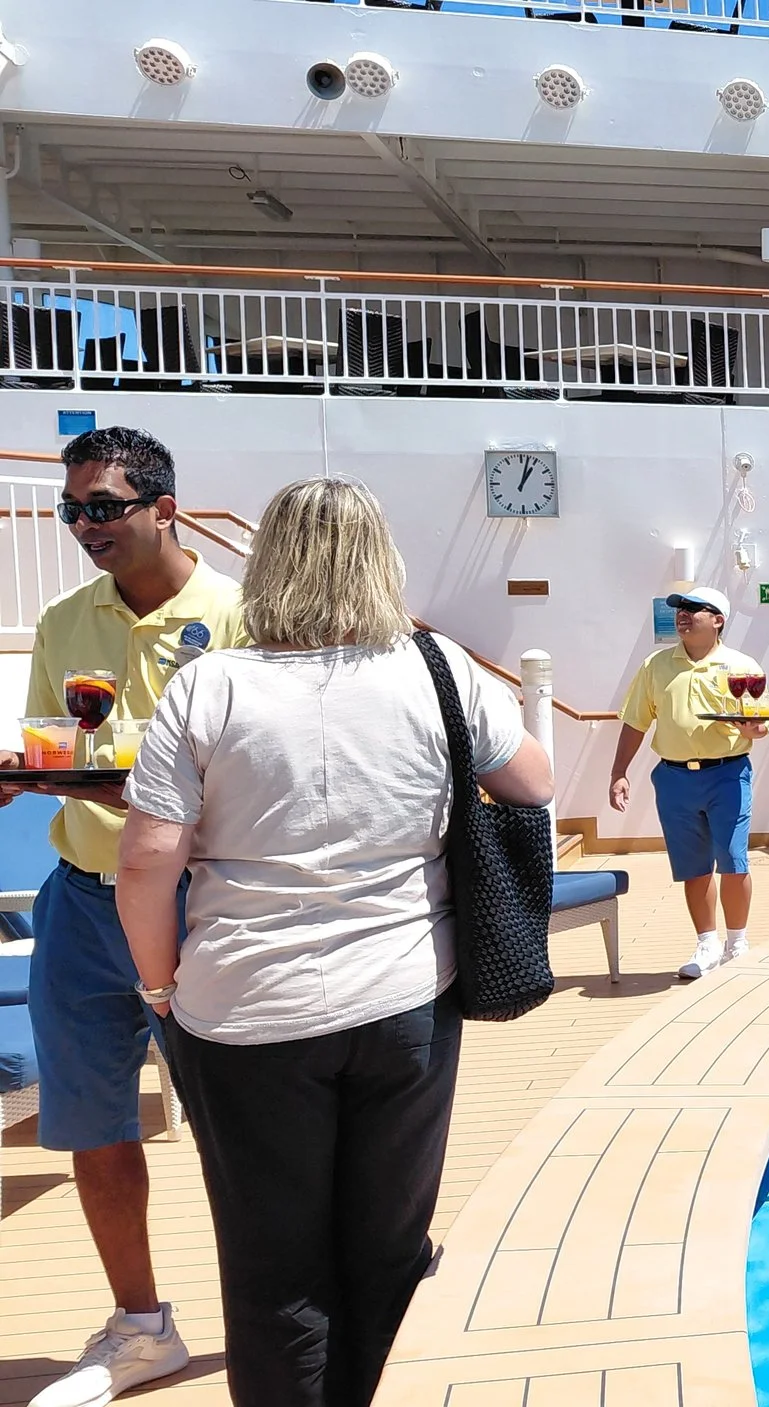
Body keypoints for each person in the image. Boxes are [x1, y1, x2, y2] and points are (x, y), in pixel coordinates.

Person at [116, 476, 554, 1407]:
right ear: (378, 560)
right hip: (405, 999)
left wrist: (160, 989)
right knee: (388, 1246)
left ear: (267, 563)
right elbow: (533, 781)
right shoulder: (437, 669)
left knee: (274, 1262)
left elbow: (148, 861)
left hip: (242, 1012)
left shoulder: (209, 684)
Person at [0, 427, 247, 1407]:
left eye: (104, 507)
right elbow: (51, 739)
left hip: (207, 909)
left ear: (164, 508)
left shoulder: (241, 616)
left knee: (253, 1126)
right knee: (94, 1126)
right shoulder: (66, 620)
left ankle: (304, 1303)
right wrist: (25, 774)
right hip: (80, 905)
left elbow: (257, 773)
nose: (83, 526)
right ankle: (143, 1329)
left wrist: (131, 782)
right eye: (72, 510)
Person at [609, 587, 769, 980]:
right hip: (674, 777)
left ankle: (737, 943)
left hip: (728, 774)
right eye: (680, 609)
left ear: (718, 620)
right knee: (693, 867)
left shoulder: (741, 665)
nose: (683, 615)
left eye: (695, 609)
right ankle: (707, 943)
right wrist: (618, 772)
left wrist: (755, 728)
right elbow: (635, 721)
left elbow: (759, 725)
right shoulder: (655, 665)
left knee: (734, 860)